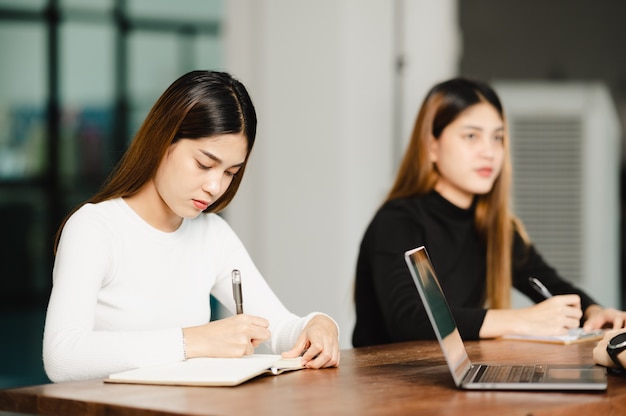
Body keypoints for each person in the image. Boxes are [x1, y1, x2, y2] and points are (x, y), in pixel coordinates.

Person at [43, 70, 340, 382]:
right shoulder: (94, 228)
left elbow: (277, 328)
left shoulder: (212, 235)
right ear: (163, 140)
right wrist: (195, 341)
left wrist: (317, 324)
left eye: (230, 173)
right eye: (204, 164)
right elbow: (63, 356)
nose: (215, 186)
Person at [352, 77, 626, 348]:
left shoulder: (494, 226)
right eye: (471, 136)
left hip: (443, 380)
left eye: (498, 138)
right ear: (432, 146)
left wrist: (594, 311)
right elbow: (408, 320)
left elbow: (548, 282)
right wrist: (521, 320)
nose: (490, 152)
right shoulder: (397, 220)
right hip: (386, 382)